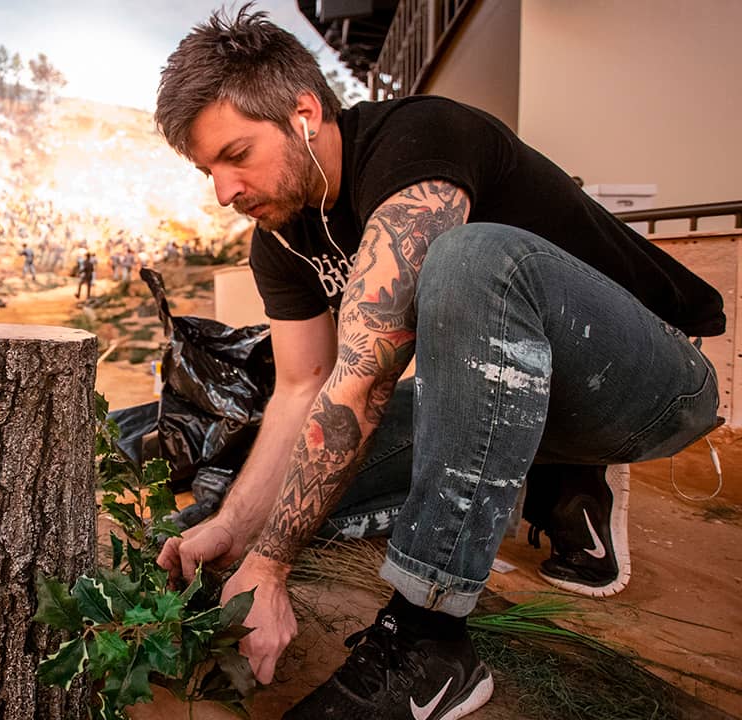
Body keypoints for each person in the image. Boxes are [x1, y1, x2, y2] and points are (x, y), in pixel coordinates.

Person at [152, 7, 724, 719]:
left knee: (469, 259)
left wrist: (272, 566)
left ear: (303, 113)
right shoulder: (280, 240)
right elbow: (303, 388)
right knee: (320, 489)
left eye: (235, 155)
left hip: (652, 385)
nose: (224, 192)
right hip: (516, 387)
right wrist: (239, 532)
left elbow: (362, 377)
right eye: (209, 169)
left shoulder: (418, 137)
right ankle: (560, 478)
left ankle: (432, 639)